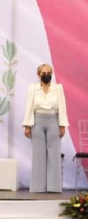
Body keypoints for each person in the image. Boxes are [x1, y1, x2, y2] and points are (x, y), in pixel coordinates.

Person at [22, 63, 69, 193]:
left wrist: (62, 125)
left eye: (49, 73)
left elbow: (62, 106)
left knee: (54, 155)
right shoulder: (33, 88)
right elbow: (29, 106)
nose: (47, 75)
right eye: (44, 73)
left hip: (53, 121)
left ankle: (54, 188)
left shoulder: (58, 88)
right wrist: (27, 125)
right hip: (37, 122)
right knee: (38, 155)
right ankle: (37, 188)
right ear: (39, 75)